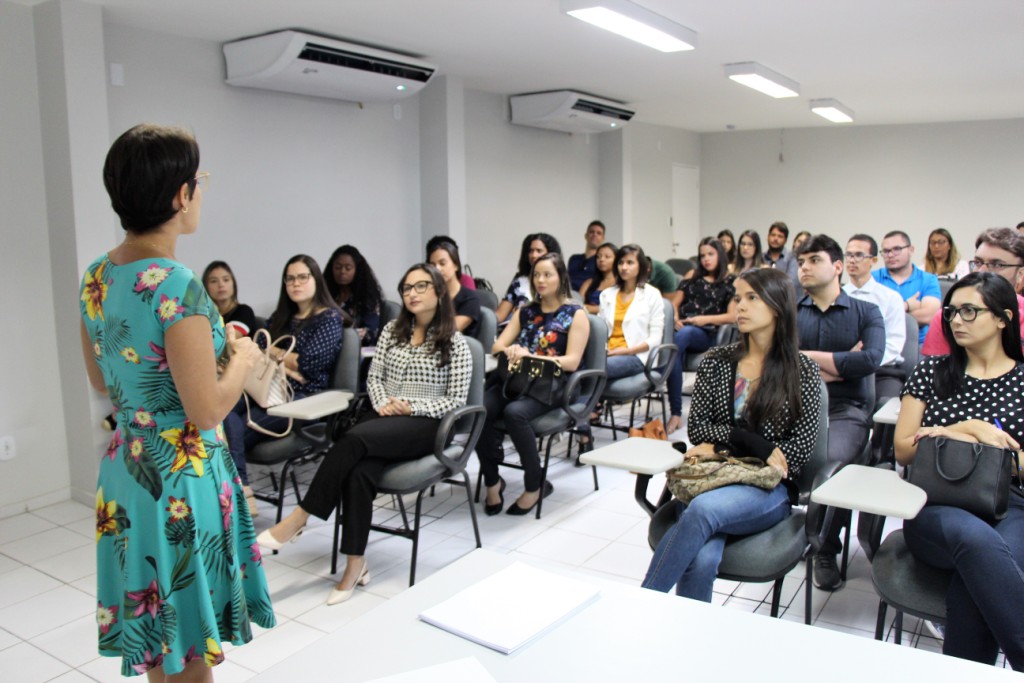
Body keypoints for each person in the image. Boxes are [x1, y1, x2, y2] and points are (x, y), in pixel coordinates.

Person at [80, 124, 274, 679]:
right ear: (180, 195)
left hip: (126, 471)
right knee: (188, 649)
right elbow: (208, 410)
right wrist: (237, 357)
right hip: (178, 478)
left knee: (160, 642)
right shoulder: (176, 284)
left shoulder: (97, 274)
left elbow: (100, 377)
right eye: (198, 181)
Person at [257, 264, 472, 605]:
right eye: (406, 288)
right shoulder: (392, 331)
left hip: (426, 424)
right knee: (358, 473)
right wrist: (384, 401)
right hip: (384, 418)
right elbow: (373, 378)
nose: (412, 293)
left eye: (420, 286)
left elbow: (455, 401)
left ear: (439, 292)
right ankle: (355, 564)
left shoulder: (455, 343)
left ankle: (299, 518)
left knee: (353, 440)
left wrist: (408, 405)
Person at [641, 268, 821, 600]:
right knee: (704, 557)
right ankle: (689, 641)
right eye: (738, 297)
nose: (740, 306)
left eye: (752, 298)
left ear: (778, 306)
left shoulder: (803, 371)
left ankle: (640, 607)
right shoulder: (717, 361)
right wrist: (753, 443)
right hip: (711, 476)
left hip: (767, 487)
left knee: (704, 511)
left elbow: (796, 454)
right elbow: (697, 429)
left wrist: (721, 443)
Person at [894, 272, 1024, 670]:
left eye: (970, 310)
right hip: (936, 504)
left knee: (977, 583)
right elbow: (903, 449)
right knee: (977, 542)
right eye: (952, 311)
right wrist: (966, 429)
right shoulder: (932, 371)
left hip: (1011, 506)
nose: (956, 320)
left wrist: (991, 447)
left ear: (1003, 318)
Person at [795, 234, 884, 591]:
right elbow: (777, 361)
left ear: (836, 267)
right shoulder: (789, 312)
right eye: (801, 262)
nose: (804, 267)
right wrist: (840, 364)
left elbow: (870, 359)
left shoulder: (866, 311)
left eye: (813, 260)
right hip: (797, 403)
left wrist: (807, 357)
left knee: (831, 468)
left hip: (846, 408)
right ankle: (783, 531)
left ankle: (825, 549)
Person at [222, 255, 343, 513]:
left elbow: (310, 364)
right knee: (225, 412)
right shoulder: (282, 317)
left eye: (302, 277)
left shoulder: (329, 319)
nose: (295, 284)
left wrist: (276, 356)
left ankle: (239, 496)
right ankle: (242, 490)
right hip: (265, 390)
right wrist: (285, 360)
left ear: (316, 280)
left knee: (233, 434)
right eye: (290, 279)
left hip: (302, 398)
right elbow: (259, 346)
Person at [478, 253, 590, 516]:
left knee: (514, 413)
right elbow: (496, 346)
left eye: (547, 274)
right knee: (480, 410)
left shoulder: (575, 314)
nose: (540, 280)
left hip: (552, 382)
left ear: (561, 277)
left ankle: (534, 484)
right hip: (515, 379)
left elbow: (573, 362)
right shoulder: (525, 310)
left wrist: (534, 356)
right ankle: (493, 481)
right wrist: (513, 349)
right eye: (536, 275)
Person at [665, 237, 737, 434]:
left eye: (711, 254)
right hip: (683, 329)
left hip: (707, 332)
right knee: (675, 343)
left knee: (677, 342)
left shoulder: (730, 281)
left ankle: (675, 413)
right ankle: (676, 413)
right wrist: (675, 318)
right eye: (703, 255)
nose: (706, 259)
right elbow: (674, 304)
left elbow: (732, 315)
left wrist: (703, 320)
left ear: (720, 255)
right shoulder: (692, 275)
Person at [922, 228, 1024, 355]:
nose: (982, 271)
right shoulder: (949, 317)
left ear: (1020, 274)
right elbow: (935, 371)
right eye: (978, 262)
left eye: (997, 265)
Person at [842, 234, 907, 406]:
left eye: (859, 255)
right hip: (843, 368)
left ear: (874, 260)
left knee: (886, 405)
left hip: (882, 370)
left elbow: (894, 344)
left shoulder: (891, 298)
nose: (852, 260)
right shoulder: (837, 296)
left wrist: (863, 362)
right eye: (848, 255)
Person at [597, 244, 665, 380]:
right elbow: (600, 330)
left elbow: (656, 338)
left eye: (630, 263)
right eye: (620, 263)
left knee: (597, 369)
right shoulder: (607, 294)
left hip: (636, 355)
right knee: (580, 365)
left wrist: (626, 351)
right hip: (607, 352)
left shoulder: (652, 294)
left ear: (641, 266)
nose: (624, 267)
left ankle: (588, 401)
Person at [873, 230, 942, 344]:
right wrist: (907, 305)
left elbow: (928, 316)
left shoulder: (928, 280)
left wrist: (887, 316)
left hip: (918, 345)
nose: (890, 255)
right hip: (881, 343)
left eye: (897, 249)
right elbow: (867, 317)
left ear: (911, 250)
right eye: (886, 251)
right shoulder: (874, 279)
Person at [494, 233, 562, 324]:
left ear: (550, 254)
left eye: (539, 251)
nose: (533, 255)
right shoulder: (520, 281)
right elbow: (499, 315)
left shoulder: (557, 280)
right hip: (515, 330)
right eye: (531, 251)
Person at [324, 245, 385, 346]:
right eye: (338, 267)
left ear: (357, 270)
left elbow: (369, 334)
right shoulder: (326, 294)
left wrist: (337, 337)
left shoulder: (367, 297)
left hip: (356, 351)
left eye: (348, 268)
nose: (342, 272)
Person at [427, 239, 481, 338]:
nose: (437, 269)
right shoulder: (429, 295)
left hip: (456, 349)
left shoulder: (470, 298)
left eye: (442, 263)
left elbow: (449, 330)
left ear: (456, 265)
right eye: (433, 265)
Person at [202, 261, 256, 337]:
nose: (221, 285)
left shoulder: (244, 311)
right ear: (205, 287)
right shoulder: (203, 315)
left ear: (233, 284)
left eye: (226, 280)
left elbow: (230, 338)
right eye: (213, 281)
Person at [579, 241, 617, 314]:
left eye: (607, 257)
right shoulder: (589, 282)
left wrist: (590, 308)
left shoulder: (620, 283)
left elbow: (614, 308)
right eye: (598, 257)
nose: (601, 260)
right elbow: (578, 305)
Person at [568, 220, 606, 291]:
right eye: (592, 232)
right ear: (586, 236)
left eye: (599, 233)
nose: (595, 235)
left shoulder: (602, 262)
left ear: (603, 238)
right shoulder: (574, 259)